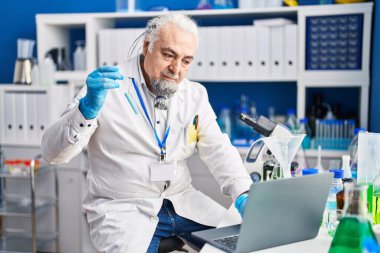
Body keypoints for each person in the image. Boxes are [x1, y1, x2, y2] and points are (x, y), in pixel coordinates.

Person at [42, 13, 252, 253]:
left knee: (244, 243)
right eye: (168, 55)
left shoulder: (194, 94)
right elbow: (52, 154)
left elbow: (219, 150)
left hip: (182, 201)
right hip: (123, 209)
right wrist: (85, 111)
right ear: (146, 46)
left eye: (186, 61)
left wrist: (243, 193)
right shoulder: (108, 87)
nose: (176, 69)